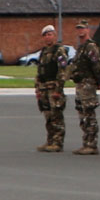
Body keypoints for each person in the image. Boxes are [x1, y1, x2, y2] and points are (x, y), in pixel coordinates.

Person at [66, 21, 100, 155]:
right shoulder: (81, 47)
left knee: (89, 114)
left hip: (88, 84)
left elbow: (96, 65)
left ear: (88, 30)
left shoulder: (90, 47)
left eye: (82, 29)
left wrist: (98, 81)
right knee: (82, 114)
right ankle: (86, 142)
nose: (80, 31)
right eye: (78, 29)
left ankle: (92, 144)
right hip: (80, 84)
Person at [33, 24, 66, 152]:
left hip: (53, 87)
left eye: (50, 34)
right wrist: (37, 88)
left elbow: (62, 71)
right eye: (45, 35)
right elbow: (40, 71)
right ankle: (50, 140)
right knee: (48, 115)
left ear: (54, 36)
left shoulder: (59, 50)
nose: (48, 37)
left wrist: (58, 90)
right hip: (44, 88)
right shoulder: (44, 52)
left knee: (56, 115)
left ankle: (58, 142)